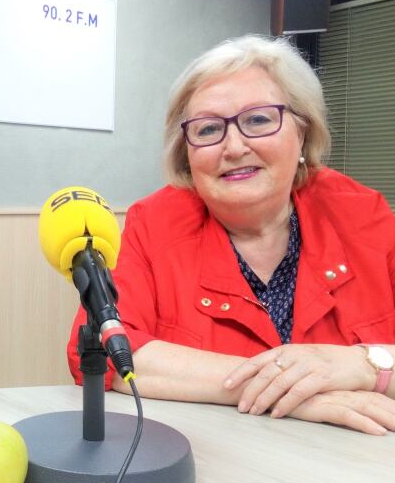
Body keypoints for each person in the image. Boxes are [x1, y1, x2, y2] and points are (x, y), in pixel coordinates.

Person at [67, 35, 395, 435]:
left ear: (303, 133)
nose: (234, 146)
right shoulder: (155, 223)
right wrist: (294, 391)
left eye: (258, 120)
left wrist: (367, 364)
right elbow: (103, 353)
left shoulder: (363, 216)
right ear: (186, 153)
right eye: (208, 129)